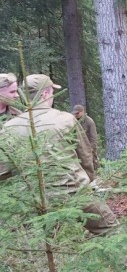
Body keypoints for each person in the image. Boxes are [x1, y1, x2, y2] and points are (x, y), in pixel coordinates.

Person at [2, 74, 117, 234]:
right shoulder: (66, 119)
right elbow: (85, 157)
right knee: (111, 230)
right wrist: (88, 182)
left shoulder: (8, 128)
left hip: (34, 200)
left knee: (41, 244)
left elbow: (4, 172)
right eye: (51, 92)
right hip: (74, 191)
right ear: (44, 94)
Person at [73, 104, 100, 171]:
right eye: (75, 113)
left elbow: (93, 138)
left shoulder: (89, 122)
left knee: (92, 165)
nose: (76, 115)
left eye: (77, 113)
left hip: (88, 148)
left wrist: (90, 149)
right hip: (78, 147)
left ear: (82, 111)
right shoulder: (74, 121)